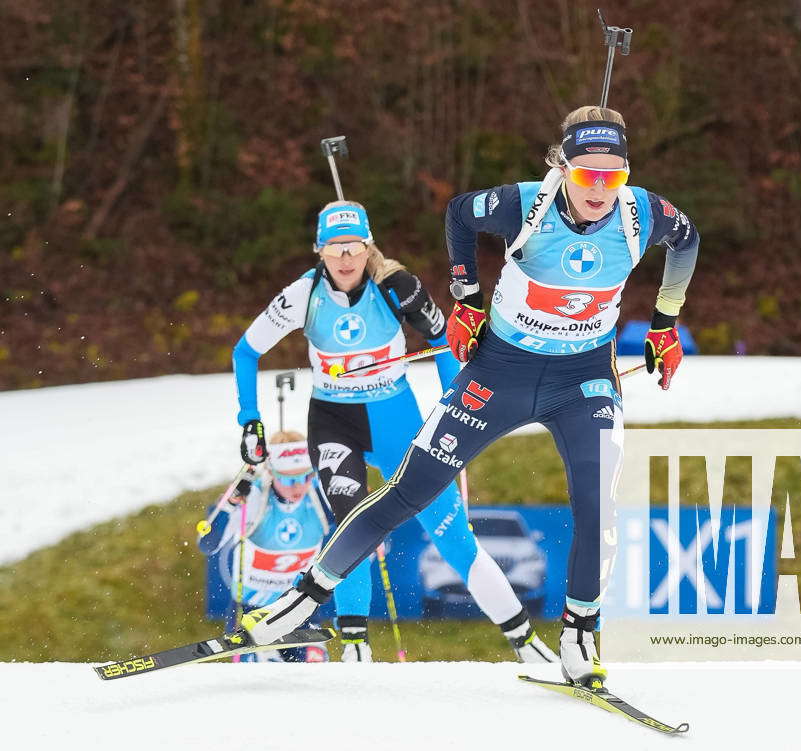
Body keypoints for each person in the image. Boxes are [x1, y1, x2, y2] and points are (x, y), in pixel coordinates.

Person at [238, 105, 699, 687]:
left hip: (581, 381)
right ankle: (304, 599)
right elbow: (459, 213)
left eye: (614, 176)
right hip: (500, 372)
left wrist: (664, 322)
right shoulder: (526, 205)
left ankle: (581, 633)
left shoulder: (642, 213)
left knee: (598, 503)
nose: (600, 190)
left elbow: (688, 239)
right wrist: (467, 299)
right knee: (411, 490)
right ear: (565, 170)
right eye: (587, 175)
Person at [232, 200, 556, 663]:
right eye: (334, 248)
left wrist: (455, 410)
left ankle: (525, 643)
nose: (345, 258)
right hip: (334, 422)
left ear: (368, 248)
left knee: (453, 538)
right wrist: (250, 418)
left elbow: (446, 340)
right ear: (318, 252)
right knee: (351, 528)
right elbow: (245, 352)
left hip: (397, 422)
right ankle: (355, 646)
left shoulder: (396, 287)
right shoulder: (302, 296)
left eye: (354, 247)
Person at [198, 430, 333, 662]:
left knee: (312, 684)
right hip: (254, 612)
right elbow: (207, 545)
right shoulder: (254, 497)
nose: (298, 487)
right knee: (259, 688)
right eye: (289, 479)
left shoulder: (319, 494)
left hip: (300, 609)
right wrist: (230, 503)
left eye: (305, 477)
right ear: (271, 472)